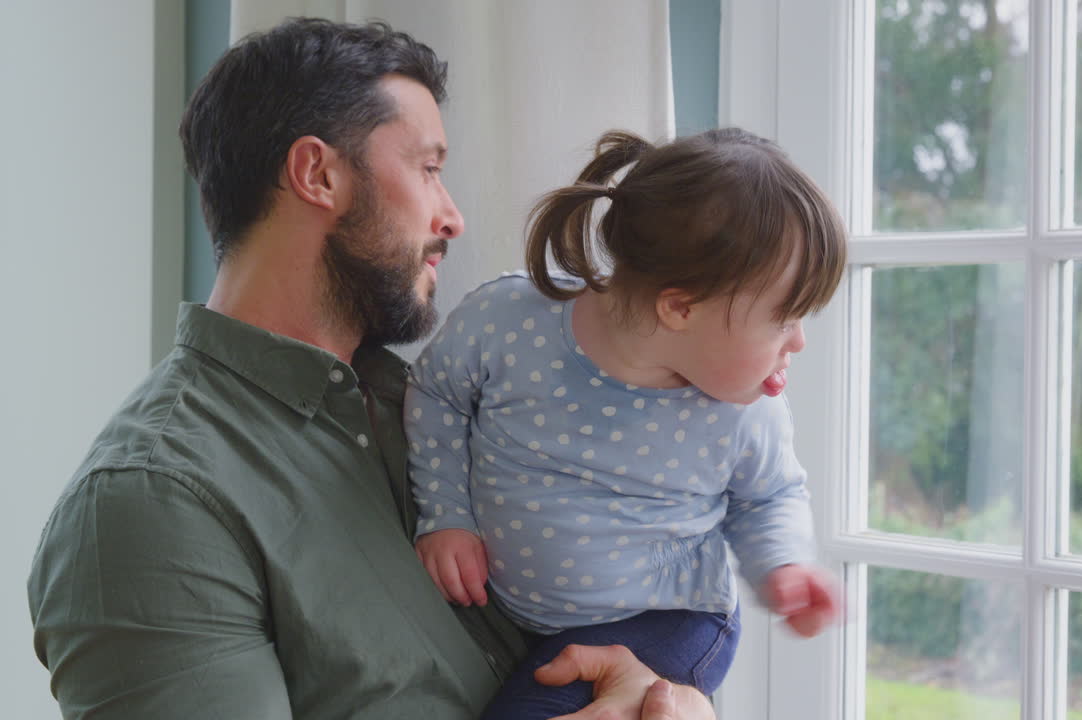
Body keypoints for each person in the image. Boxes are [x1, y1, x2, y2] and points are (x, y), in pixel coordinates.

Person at [27, 17, 715, 720]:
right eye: (428, 169)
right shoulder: (148, 505)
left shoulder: (437, 410)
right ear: (318, 174)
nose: (452, 218)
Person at [407, 128, 846, 718]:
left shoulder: (746, 408)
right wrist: (447, 515)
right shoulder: (506, 320)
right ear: (680, 308)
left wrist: (786, 566)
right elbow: (437, 395)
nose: (799, 341)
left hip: (668, 621)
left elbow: (770, 497)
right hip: (509, 612)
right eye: (784, 319)